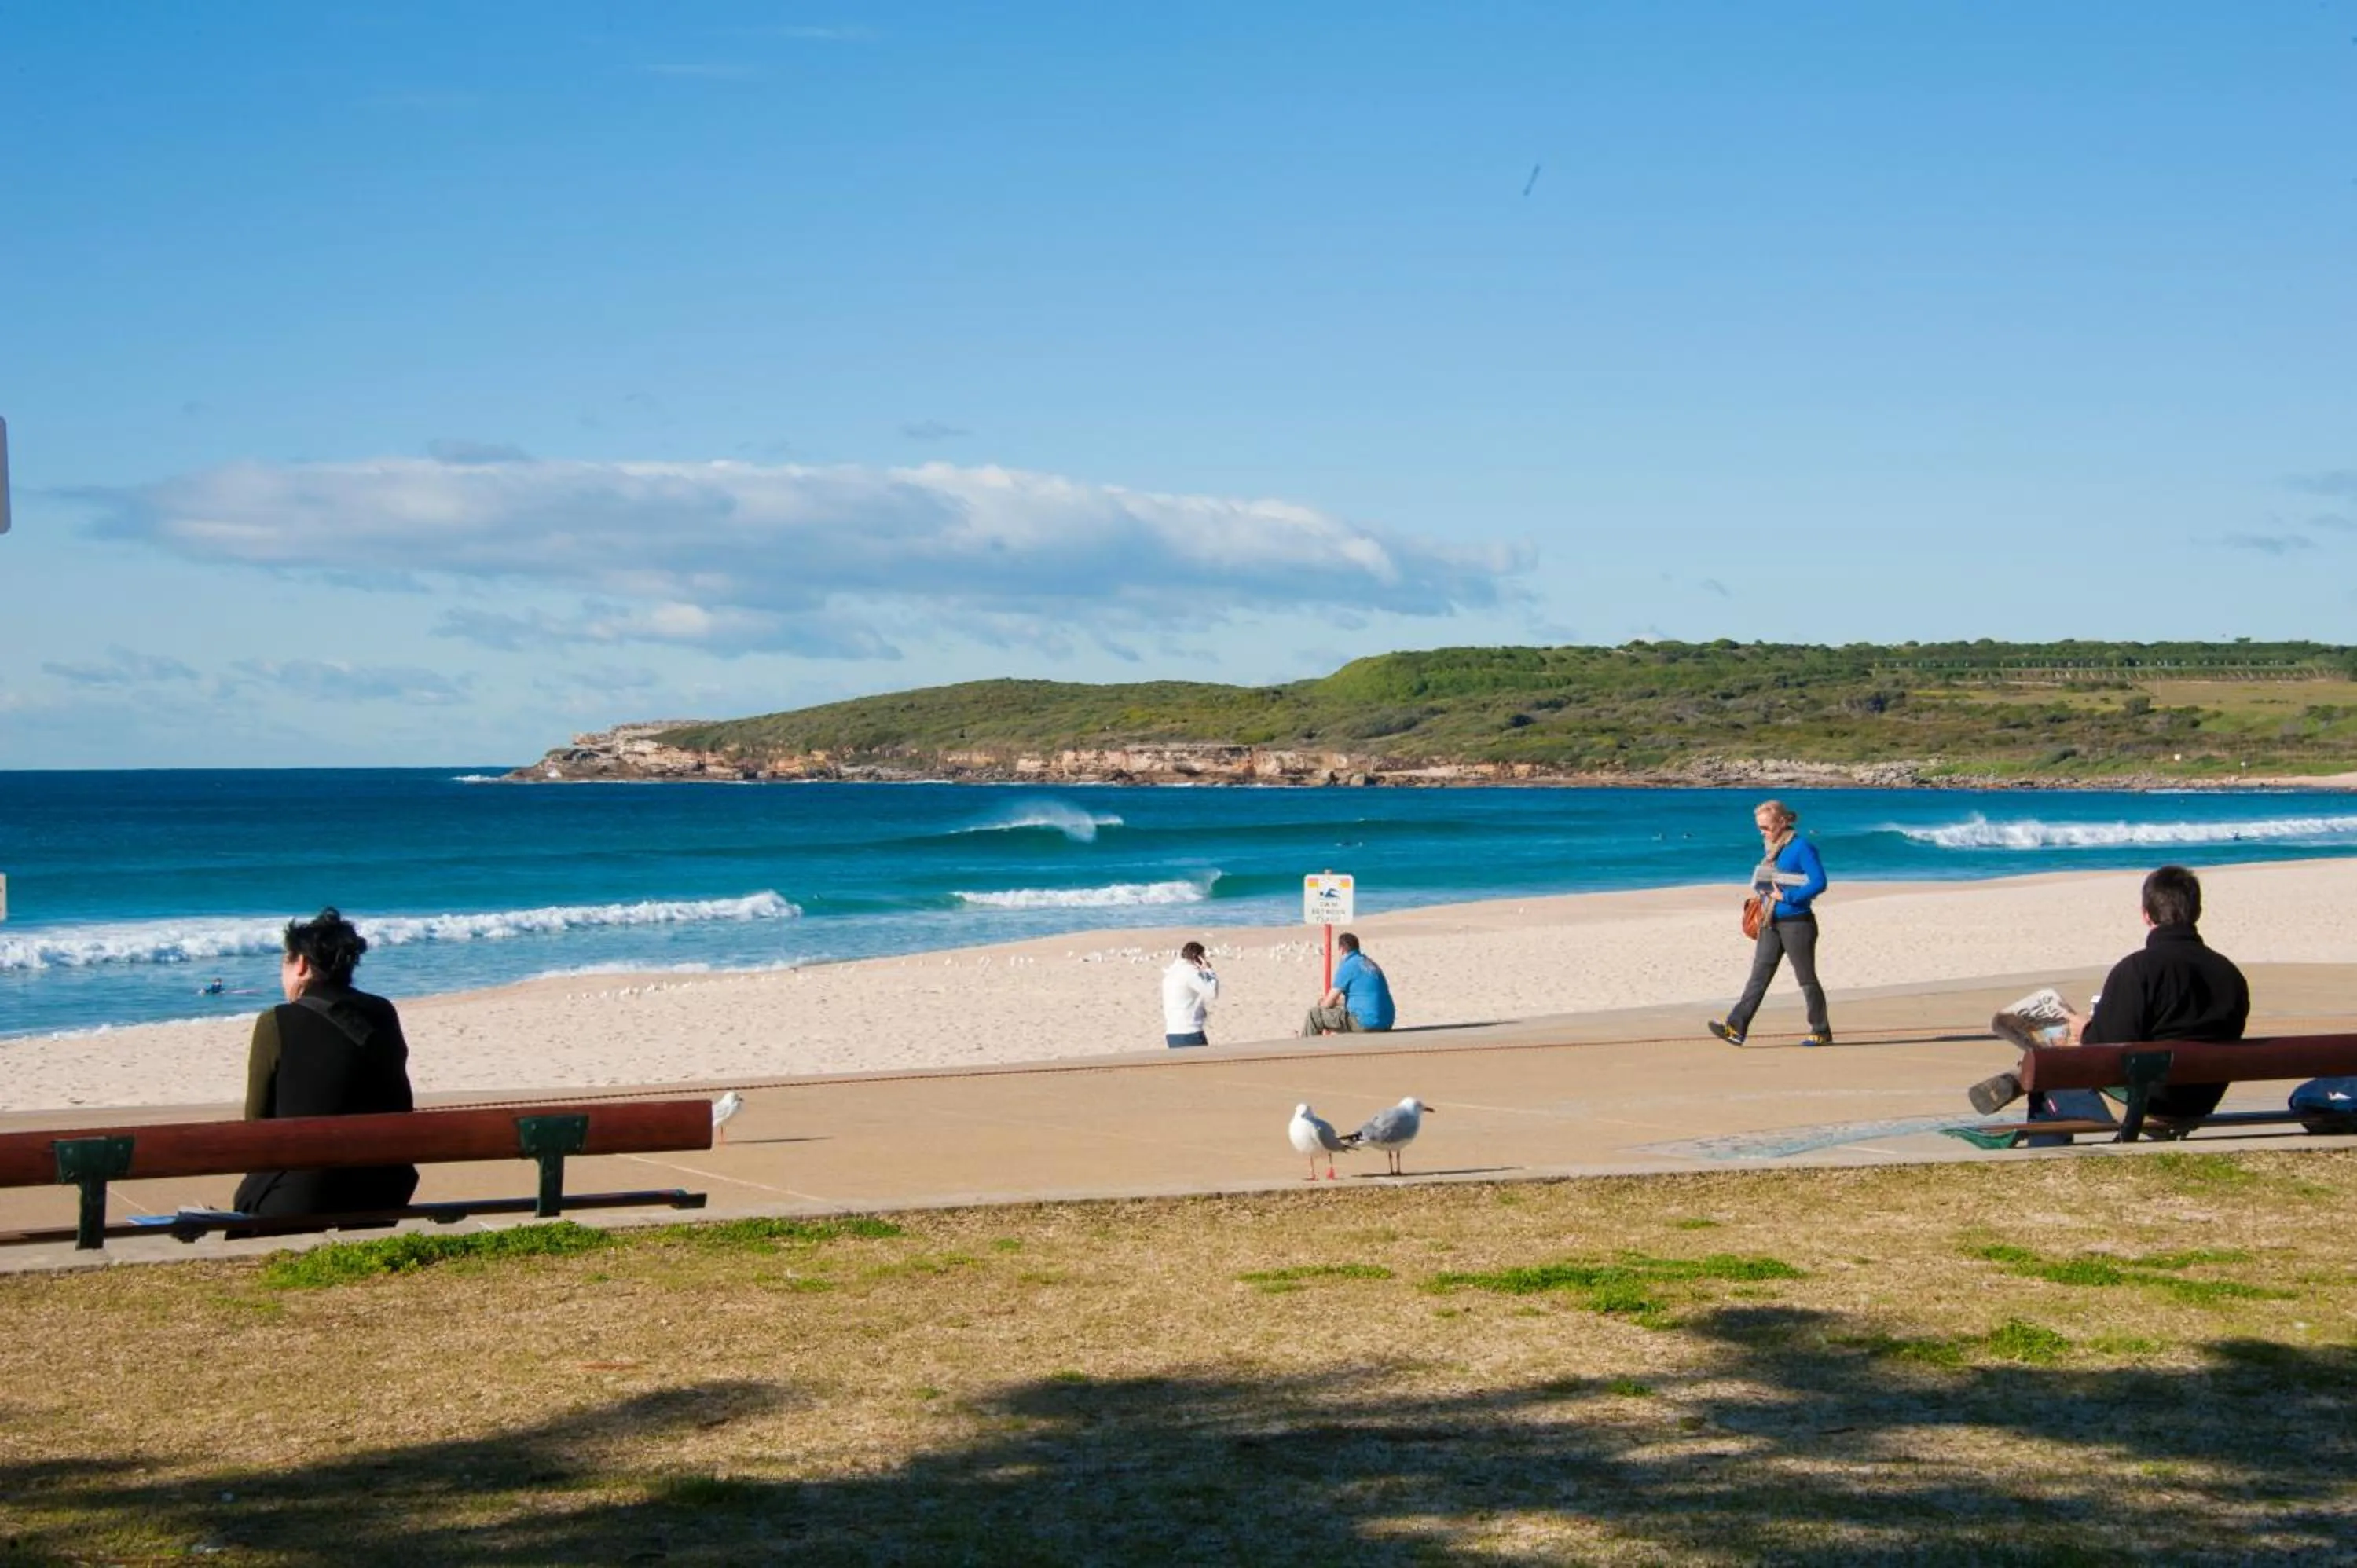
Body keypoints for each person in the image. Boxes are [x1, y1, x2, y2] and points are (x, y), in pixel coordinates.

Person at [1967, 865, 2249, 1133]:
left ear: (2146, 915)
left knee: (2047, 1081)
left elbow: (2106, 1052)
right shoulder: (2229, 974)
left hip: (2146, 1104)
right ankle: (2018, 1078)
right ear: (2197, 912)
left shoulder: (2138, 970)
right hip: (2201, 1100)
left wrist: (2085, 1030)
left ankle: (2046, 1156)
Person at [230, 907, 420, 1222]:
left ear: (301, 965)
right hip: (382, 1192)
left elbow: (257, 1124)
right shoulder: (383, 1012)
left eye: (284, 962)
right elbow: (400, 1102)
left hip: (299, 1197)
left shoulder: (275, 1021)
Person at [1708, 799, 1833, 1048]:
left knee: (1806, 978)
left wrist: (1787, 896)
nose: (1762, 832)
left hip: (1797, 921)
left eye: (1766, 827)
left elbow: (1819, 882)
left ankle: (1821, 1030)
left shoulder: (1801, 847)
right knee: (1758, 977)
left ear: (1783, 822)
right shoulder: (1772, 848)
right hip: (1770, 920)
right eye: (1760, 827)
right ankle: (1736, 1028)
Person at [1300, 932, 1396, 1036]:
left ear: (1342, 950)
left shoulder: (1348, 965)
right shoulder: (1370, 963)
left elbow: (1328, 1003)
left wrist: (1321, 1004)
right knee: (1339, 1010)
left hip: (1366, 1023)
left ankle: (1304, 1047)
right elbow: (1359, 996)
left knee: (1315, 1015)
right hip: (1386, 1021)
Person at [1161, 940, 1219, 1048]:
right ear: (1197, 958)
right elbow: (1212, 993)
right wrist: (1209, 971)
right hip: (1190, 1032)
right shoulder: (1190, 972)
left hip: (1172, 1032)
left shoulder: (1171, 972)